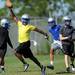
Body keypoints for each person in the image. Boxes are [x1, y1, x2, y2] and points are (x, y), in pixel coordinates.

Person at [6, 0, 48, 74]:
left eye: (26, 19)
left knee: (15, 52)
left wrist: (45, 33)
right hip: (22, 44)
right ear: (22, 19)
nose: (24, 20)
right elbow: (14, 17)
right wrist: (10, 9)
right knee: (31, 57)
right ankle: (42, 67)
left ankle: (25, 64)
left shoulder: (30, 26)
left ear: (28, 20)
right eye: (24, 19)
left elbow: (38, 30)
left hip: (26, 43)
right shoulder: (19, 24)